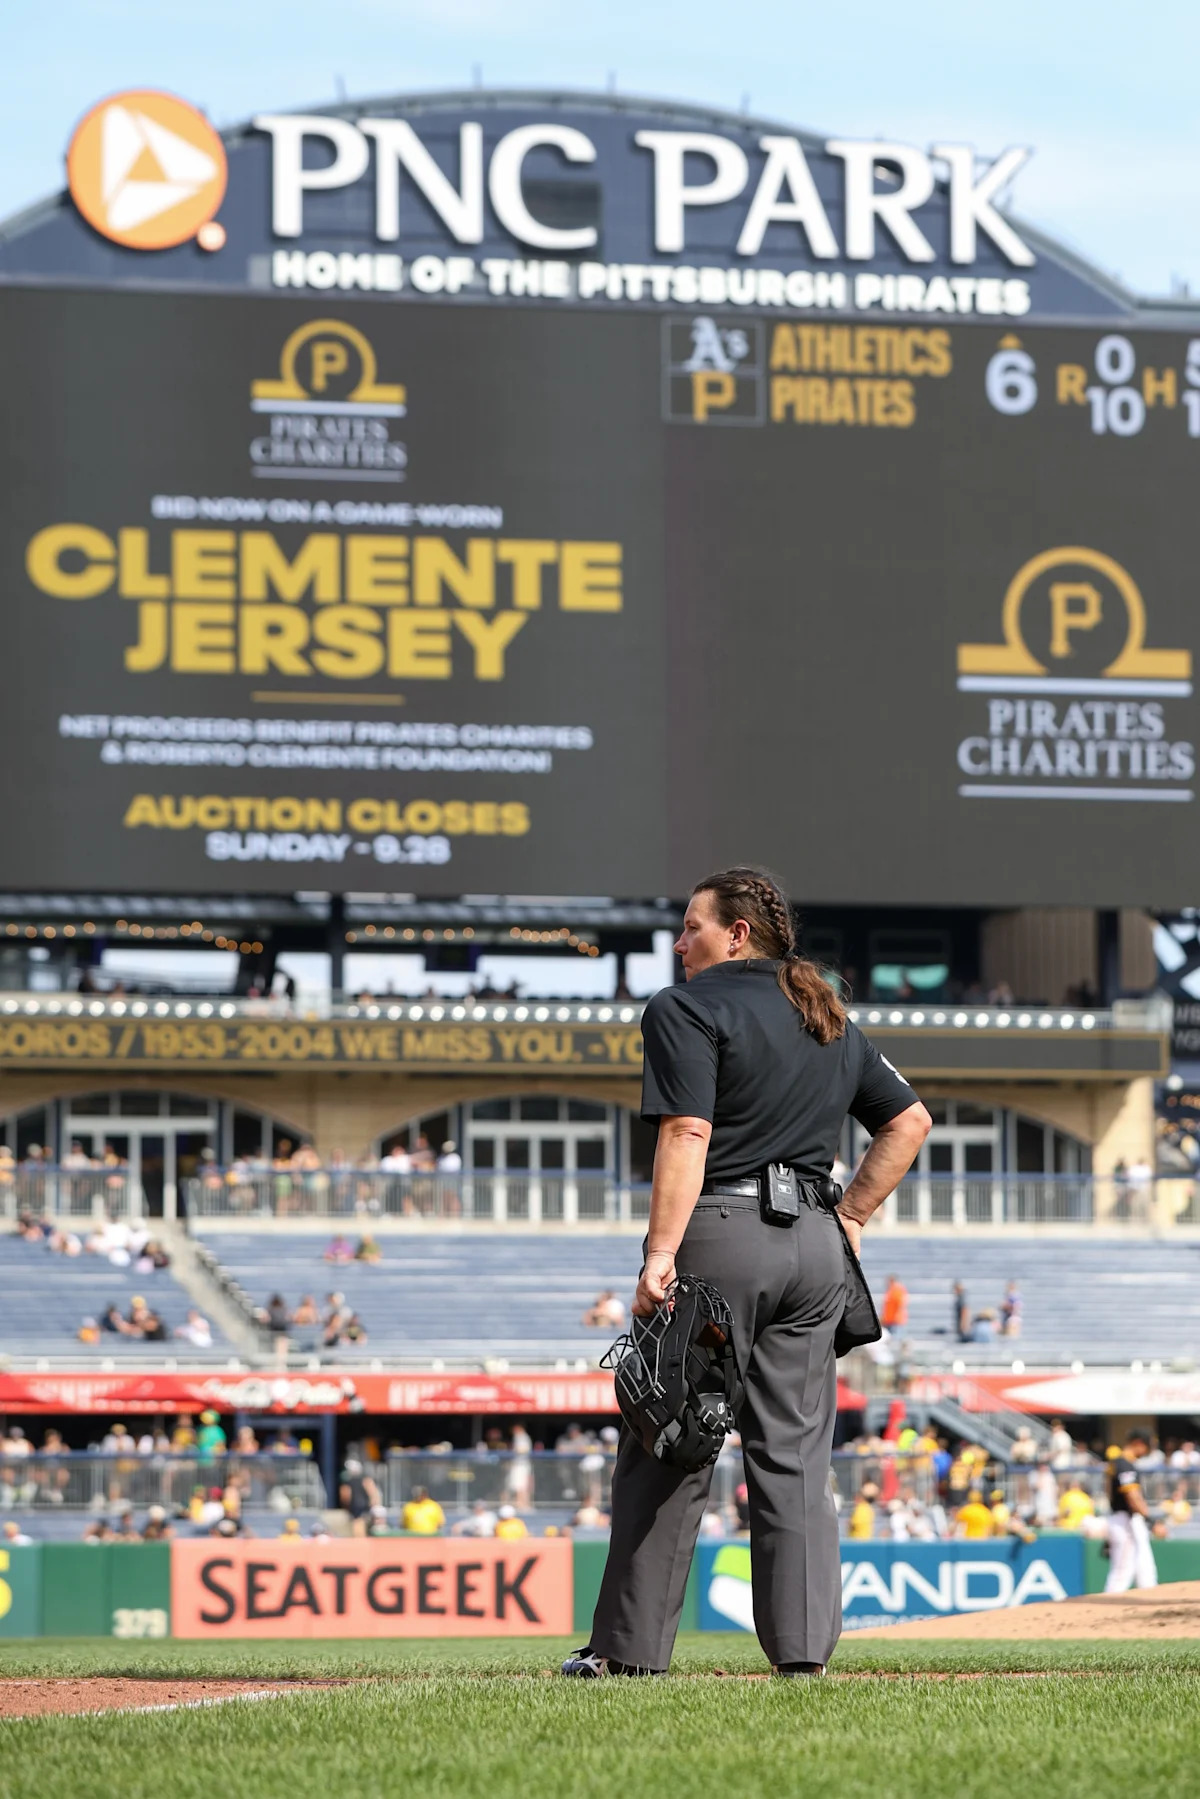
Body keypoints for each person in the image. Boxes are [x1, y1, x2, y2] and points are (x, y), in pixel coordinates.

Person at [567, 866, 930, 1679]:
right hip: (816, 1247)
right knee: (795, 1456)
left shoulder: (685, 1006)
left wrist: (659, 1253)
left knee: (670, 1433)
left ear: (737, 934)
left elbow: (687, 1133)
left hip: (721, 1235)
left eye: (691, 925)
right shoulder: (824, 1013)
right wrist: (851, 1217)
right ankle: (802, 1657)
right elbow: (910, 1121)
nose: (678, 942)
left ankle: (629, 1654)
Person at [1106, 1430, 1158, 1592]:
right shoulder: (1124, 1464)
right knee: (1123, 1570)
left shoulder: (1119, 1463)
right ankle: (1108, 1602)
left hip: (1124, 1519)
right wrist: (1150, 1520)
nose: (1147, 1451)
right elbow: (1132, 1496)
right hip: (1123, 1520)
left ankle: (1149, 1596)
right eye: (1147, 1446)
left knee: (1143, 1567)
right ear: (1138, 1443)